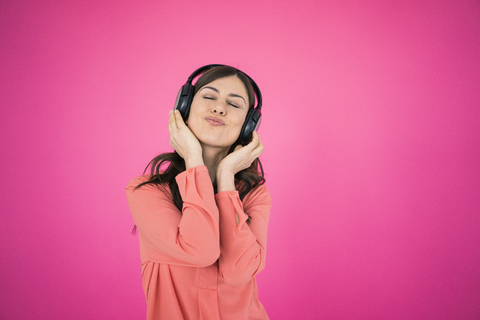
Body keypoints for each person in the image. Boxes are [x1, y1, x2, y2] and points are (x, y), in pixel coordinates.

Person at [125, 65, 271, 320]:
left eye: (234, 104)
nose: (219, 108)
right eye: (209, 96)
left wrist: (226, 178)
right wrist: (194, 159)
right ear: (185, 107)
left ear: (248, 125)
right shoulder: (146, 191)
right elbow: (200, 251)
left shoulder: (254, 196)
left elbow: (239, 272)